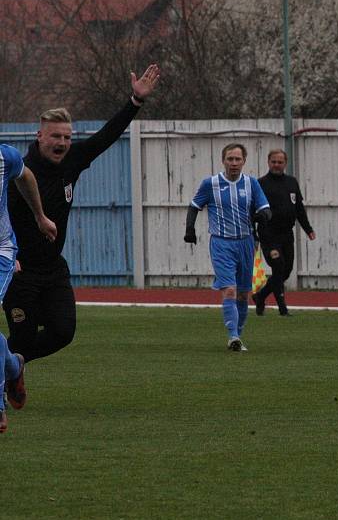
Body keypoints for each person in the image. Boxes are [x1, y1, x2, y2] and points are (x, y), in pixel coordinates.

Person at [3, 64, 161, 363]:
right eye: (55, 136)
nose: (62, 143)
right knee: (22, 338)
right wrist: (10, 254)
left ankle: (14, 365)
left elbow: (107, 136)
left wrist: (135, 101)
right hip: (19, 272)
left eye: (66, 137)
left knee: (62, 333)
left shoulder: (72, 161)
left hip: (53, 269)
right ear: (39, 136)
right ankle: (11, 367)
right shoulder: (19, 174)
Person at [184, 143, 270, 352]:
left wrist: (260, 216)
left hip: (246, 242)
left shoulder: (251, 184)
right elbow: (194, 206)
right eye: (230, 159)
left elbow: (266, 210)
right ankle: (232, 336)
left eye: (237, 159)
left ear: (244, 161)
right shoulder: (210, 184)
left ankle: (238, 336)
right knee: (229, 290)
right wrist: (190, 230)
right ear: (223, 161)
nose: (233, 163)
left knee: (242, 294)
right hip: (221, 243)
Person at [0, 144, 58, 433]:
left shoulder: (5, 155)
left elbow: (26, 176)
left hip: (1, 251)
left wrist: (39, 216)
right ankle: (13, 366)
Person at [252, 149, 315, 317]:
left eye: (280, 162)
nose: (276, 165)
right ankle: (282, 308)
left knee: (286, 271)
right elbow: (252, 210)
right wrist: (254, 233)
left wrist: (308, 229)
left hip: (287, 234)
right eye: (274, 161)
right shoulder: (260, 184)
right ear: (268, 162)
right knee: (278, 266)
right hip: (269, 234)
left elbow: (299, 208)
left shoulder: (292, 182)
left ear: (285, 164)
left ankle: (260, 296)